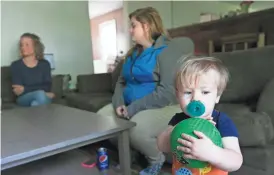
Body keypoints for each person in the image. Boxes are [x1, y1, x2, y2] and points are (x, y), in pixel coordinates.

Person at [97, 7, 194, 175]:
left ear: (147, 26)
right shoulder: (133, 53)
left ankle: (156, 160)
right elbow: (121, 82)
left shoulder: (167, 51)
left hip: (166, 105)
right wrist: (119, 102)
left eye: (133, 25)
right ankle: (130, 156)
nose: (130, 30)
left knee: (136, 128)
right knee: (101, 119)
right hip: (131, 104)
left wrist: (133, 109)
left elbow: (167, 92)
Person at [157, 56, 243, 175]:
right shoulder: (178, 120)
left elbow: (236, 162)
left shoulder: (221, 121)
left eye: (205, 92)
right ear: (177, 96)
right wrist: (174, 132)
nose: (196, 98)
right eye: (188, 92)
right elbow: (162, 146)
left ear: (217, 96)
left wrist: (212, 152)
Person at [11, 33, 54, 107]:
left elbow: (47, 86)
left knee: (35, 103)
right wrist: (42, 92)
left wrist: (25, 88)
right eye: (21, 45)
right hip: (23, 99)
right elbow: (19, 92)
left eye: (27, 44)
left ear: (35, 47)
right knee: (40, 94)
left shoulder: (45, 64)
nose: (23, 47)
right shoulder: (16, 65)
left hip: (41, 98)